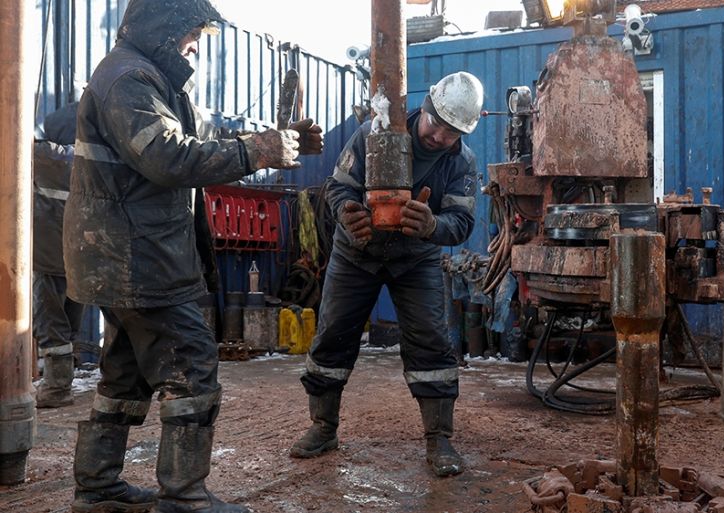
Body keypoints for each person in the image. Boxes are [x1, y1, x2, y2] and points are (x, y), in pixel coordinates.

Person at [62, 1, 322, 512]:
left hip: (131, 255)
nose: (196, 45)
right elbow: (168, 157)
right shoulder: (129, 79)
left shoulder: (151, 78)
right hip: (138, 257)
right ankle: (183, 498)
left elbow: (198, 142)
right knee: (192, 366)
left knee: (124, 374)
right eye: (192, 32)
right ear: (165, 26)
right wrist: (256, 151)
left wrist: (275, 143)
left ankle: (97, 487)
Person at [290, 71, 483, 477]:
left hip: (416, 259)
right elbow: (337, 187)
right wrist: (347, 214)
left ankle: (439, 438)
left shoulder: (462, 162)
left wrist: (432, 225)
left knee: (432, 340)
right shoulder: (371, 135)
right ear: (425, 106)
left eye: (451, 131)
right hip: (356, 253)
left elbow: (462, 222)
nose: (439, 136)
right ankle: (323, 427)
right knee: (333, 334)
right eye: (435, 122)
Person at [32, 102, 85, 408]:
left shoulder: (43, 157)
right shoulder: (92, 163)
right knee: (70, 323)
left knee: (51, 324)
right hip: (82, 260)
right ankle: (65, 380)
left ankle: (56, 388)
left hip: (47, 259)